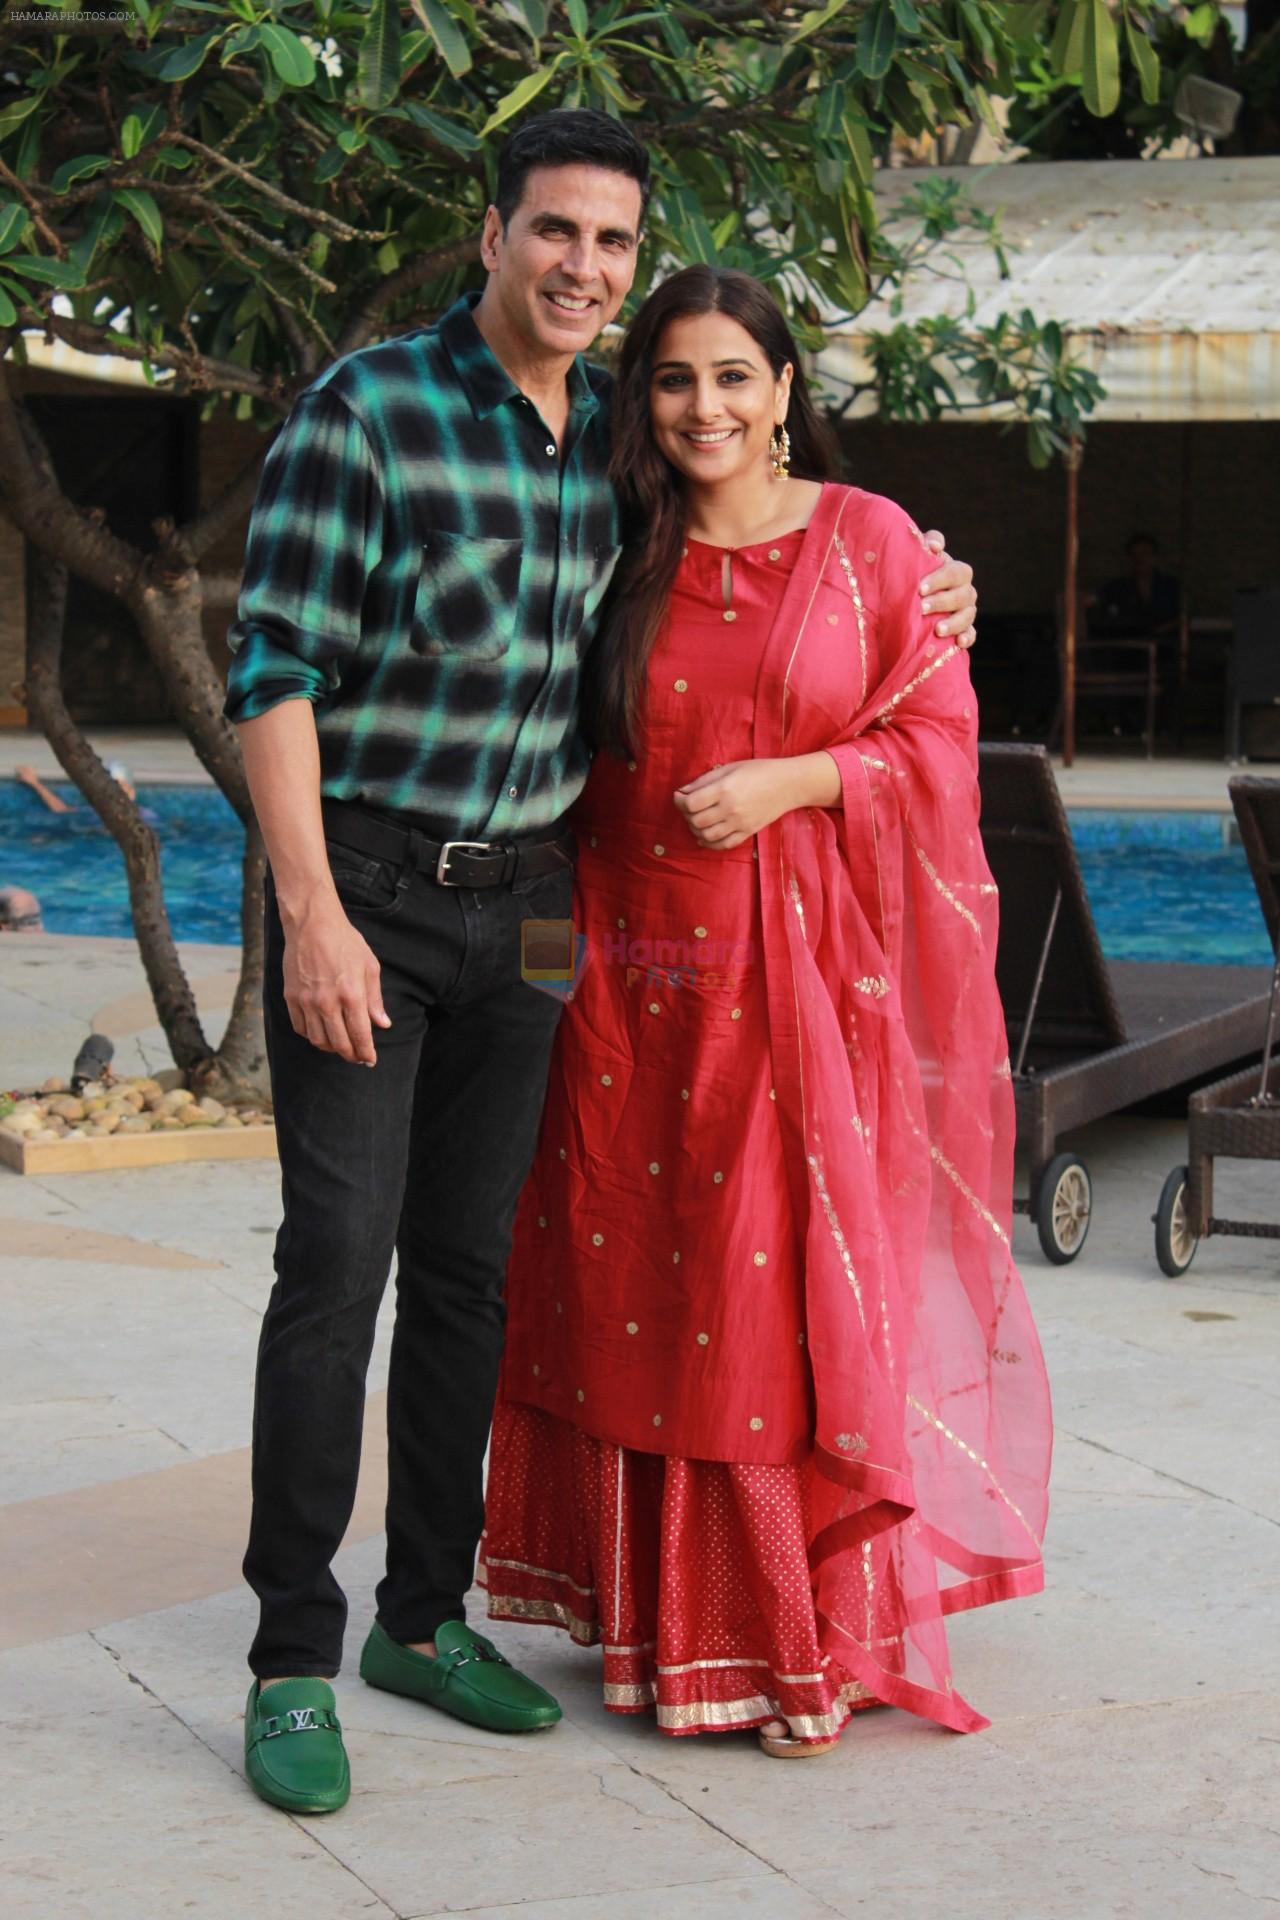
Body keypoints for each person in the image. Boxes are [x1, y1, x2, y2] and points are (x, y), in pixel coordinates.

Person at [223, 110, 979, 1815]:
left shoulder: (616, 460)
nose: (583, 270)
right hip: (374, 889)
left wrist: (944, 587)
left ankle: (425, 1613)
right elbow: (271, 671)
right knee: (338, 1266)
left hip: (546, 907)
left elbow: (780, 564)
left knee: (479, 1271)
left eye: (612, 247)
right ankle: (291, 1657)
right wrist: (314, 915)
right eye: (555, 233)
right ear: (492, 234)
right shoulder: (373, 411)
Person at [479, 266, 1051, 1756]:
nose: (706, 408)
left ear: (787, 388)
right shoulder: (614, 541)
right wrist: (547, 986)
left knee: (759, 1297)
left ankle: (786, 1635)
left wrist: (797, 780)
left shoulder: (869, 547)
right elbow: (551, 762)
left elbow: (934, 734)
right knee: (623, 1270)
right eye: (673, 380)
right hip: (613, 973)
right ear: (640, 399)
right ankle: (651, 1618)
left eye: (735, 376)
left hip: (794, 989)